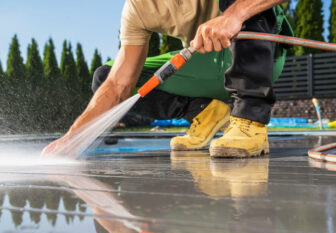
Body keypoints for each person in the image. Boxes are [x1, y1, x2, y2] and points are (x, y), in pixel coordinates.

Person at [43, 0, 292, 158]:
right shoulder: (136, 8)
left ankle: (249, 120)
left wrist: (234, 14)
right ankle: (204, 112)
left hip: (262, 56)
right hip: (205, 63)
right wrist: (73, 137)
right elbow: (119, 84)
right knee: (106, 76)